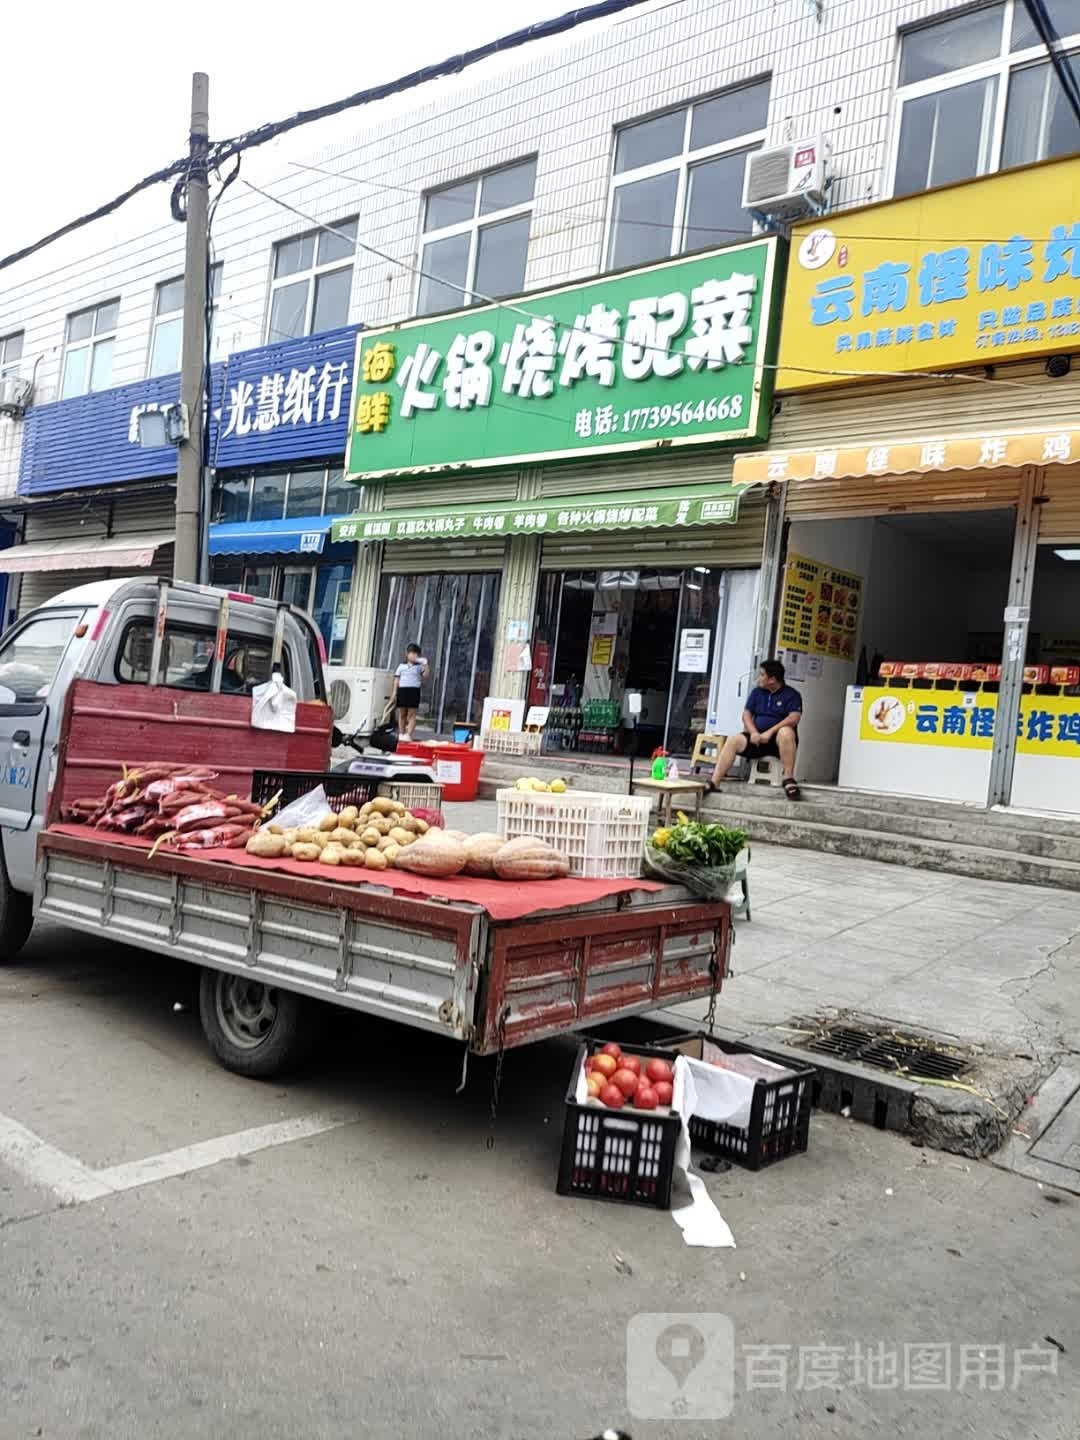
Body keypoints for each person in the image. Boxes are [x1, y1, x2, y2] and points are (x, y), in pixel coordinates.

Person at [708, 659, 802, 800]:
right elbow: (746, 714)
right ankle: (714, 782)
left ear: (772, 679)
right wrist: (753, 732)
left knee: (786, 731)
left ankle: (788, 778)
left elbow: (794, 718)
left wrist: (769, 732)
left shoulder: (792, 694)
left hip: (778, 743)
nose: (759, 678)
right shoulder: (757, 692)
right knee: (733, 739)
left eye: (762, 675)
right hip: (757, 740)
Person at [392, 643, 429, 739]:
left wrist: (426, 665)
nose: (413, 655)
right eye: (412, 653)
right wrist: (394, 693)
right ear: (407, 654)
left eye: (416, 654)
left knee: (412, 715)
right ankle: (401, 734)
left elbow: (426, 676)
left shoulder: (420, 666)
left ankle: (408, 735)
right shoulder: (401, 666)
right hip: (402, 690)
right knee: (402, 713)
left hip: (414, 691)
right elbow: (396, 680)